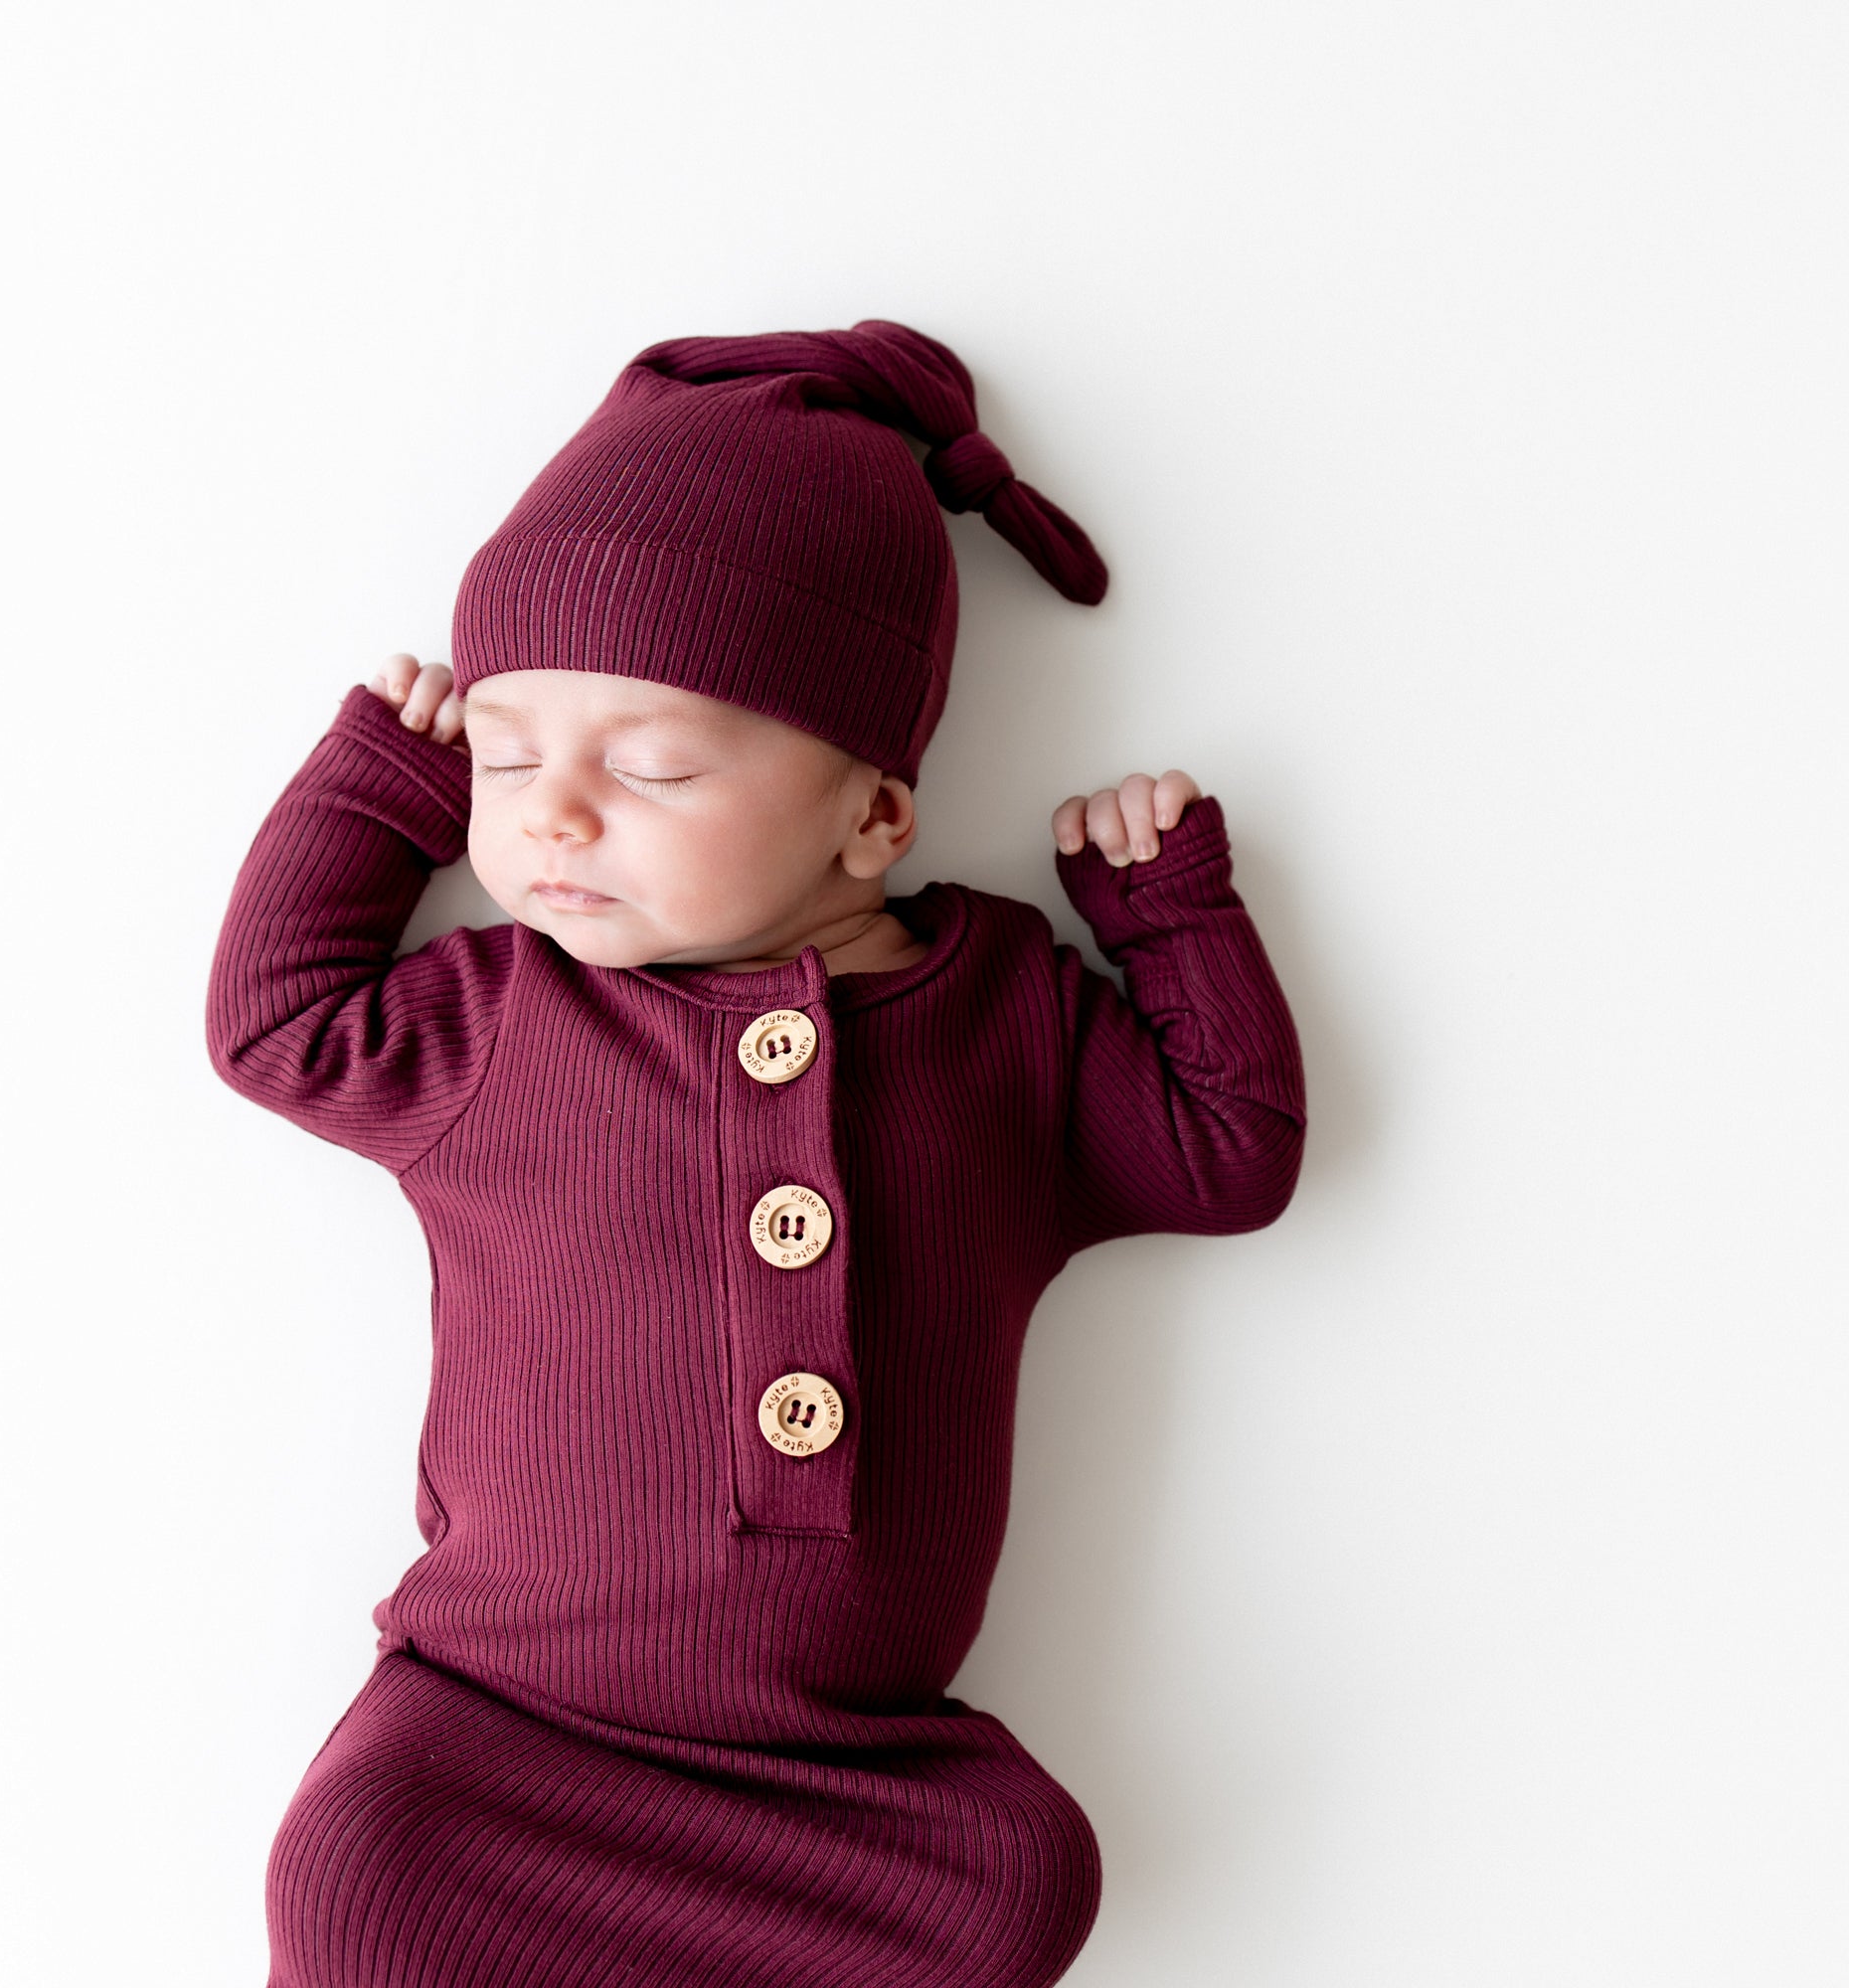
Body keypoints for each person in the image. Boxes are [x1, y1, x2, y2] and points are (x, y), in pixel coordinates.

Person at [207, 319, 1306, 1987]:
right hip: (498, 1736)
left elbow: (1231, 1154)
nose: (552, 814)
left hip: (850, 1785)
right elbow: (271, 1022)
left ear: (873, 815)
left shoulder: (1007, 1015)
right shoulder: (508, 1021)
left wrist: (1172, 920)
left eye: (648, 765)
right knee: (360, 1870)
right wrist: (383, 790)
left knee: (1021, 1870)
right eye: (509, 759)